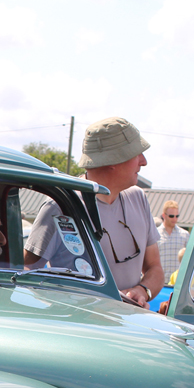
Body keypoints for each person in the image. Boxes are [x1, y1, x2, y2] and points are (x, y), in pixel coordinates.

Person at [24, 117, 162, 307]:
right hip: (82, 330)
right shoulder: (60, 206)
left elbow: (155, 269)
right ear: (114, 159)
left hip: (130, 328)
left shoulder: (138, 198)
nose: (143, 162)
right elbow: (24, 272)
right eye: (137, 153)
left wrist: (142, 291)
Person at [155, 200, 187, 285]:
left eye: (177, 216)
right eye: (171, 216)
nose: (175, 219)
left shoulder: (185, 235)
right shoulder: (154, 234)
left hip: (179, 283)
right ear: (163, 215)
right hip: (159, 284)